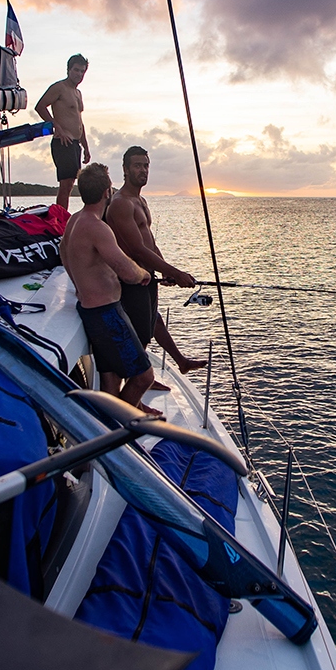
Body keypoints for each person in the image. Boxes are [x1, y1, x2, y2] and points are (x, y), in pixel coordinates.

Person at [59, 162, 157, 412]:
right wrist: (144, 274)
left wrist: (80, 281)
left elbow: (63, 254)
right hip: (108, 315)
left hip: (90, 310)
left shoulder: (73, 221)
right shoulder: (97, 227)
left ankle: (108, 427)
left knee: (110, 376)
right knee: (145, 377)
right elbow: (127, 270)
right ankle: (114, 430)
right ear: (107, 192)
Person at [105, 145, 209, 382]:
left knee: (152, 320)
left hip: (147, 275)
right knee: (139, 336)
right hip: (132, 280)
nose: (143, 170)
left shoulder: (140, 200)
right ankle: (135, 393)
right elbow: (136, 250)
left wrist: (165, 270)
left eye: (146, 165)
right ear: (125, 169)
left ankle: (178, 363)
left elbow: (150, 244)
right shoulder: (121, 202)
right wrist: (176, 272)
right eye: (137, 166)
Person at [34, 54, 90, 212]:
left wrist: (85, 146)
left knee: (71, 183)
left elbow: (79, 121)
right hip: (63, 141)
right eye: (76, 70)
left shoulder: (78, 93)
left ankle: (63, 216)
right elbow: (40, 106)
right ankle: (60, 220)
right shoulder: (59, 87)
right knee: (66, 184)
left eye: (82, 71)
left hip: (75, 143)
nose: (79, 74)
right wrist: (56, 127)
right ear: (69, 70)